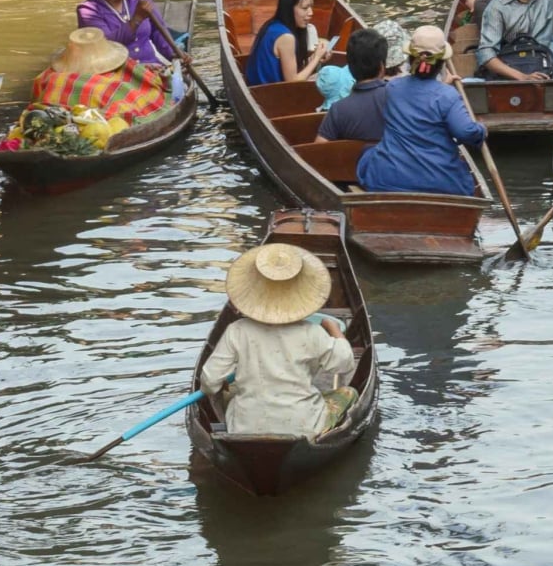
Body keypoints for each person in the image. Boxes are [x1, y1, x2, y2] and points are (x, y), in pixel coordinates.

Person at [200, 243, 357, 436]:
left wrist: (221, 384)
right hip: (304, 427)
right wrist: (334, 330)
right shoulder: (313, 332)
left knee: (228, 394)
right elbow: (345, 363)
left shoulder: (237, 330)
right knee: (350, 394)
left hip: (245, 427)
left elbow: (209, 381)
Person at [356, 26, 488, 196]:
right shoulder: (448, 96)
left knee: (368, 154)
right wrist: (481, 129)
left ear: (411, 59)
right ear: (441, 63)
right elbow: (466, 132)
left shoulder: (393, 88)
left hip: (390, 178)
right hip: (440, 181)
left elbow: (420, 98)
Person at [246, 0, 331, 86]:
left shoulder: (272, 24)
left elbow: (289, 68)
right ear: (289, 9)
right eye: (305, 8)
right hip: (270, 94)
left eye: (311, 7)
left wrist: (315, 57)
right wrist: (317, 57)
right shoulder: (286, 37)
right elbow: (292, 82)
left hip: (258, 87)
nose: (311, 12)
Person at [316, 29, 390, 143]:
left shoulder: (338, 109)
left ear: (350, 68)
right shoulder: (398, 97)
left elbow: (319, 148)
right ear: (382, 67)